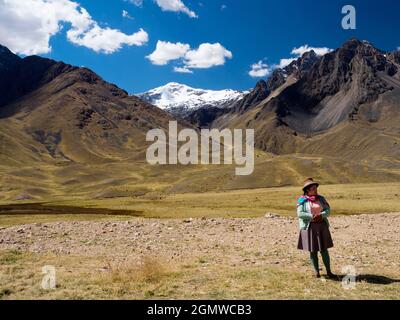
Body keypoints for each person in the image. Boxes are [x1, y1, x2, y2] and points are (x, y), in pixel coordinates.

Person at [297, 178, 337, 279]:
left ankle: (329, 271)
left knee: (324, 250)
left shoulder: (321, 198)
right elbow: (300, 213)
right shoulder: (302, 200)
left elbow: (328, 210)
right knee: (313, 250)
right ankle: (316, 272)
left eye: (316, 188)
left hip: (321, 226)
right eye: (313, 189)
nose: (315, 190)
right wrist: (312, 216)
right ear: (307, 190)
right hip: (309, 227)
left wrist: (322, 215)